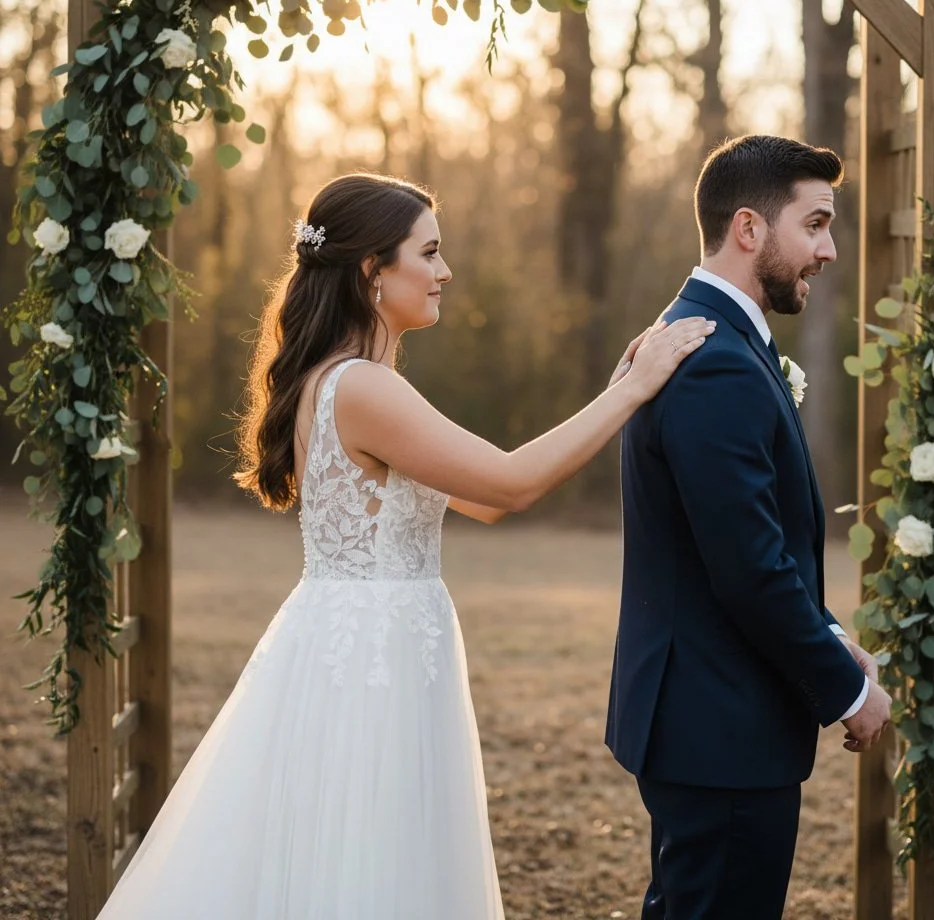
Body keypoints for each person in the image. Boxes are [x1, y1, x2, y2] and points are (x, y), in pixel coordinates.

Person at [94, 172, 715, 920]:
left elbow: (483, 501)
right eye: (429, 252)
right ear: (371, 272)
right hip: (372, 659)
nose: (445, 271)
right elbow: (514, 484)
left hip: (354, 639)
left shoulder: (345, 381)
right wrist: (634, 390)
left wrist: (618, 379)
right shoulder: (364, 389)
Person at [605, 135, 893, 920]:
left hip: (708, 713)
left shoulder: (705, 335)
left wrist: (831, 637)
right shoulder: (714, 358)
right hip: (719, 724)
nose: (830, 249)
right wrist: (845, 692)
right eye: (816, 224)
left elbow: (739, 546)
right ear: (748, 229)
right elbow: (750, 568)